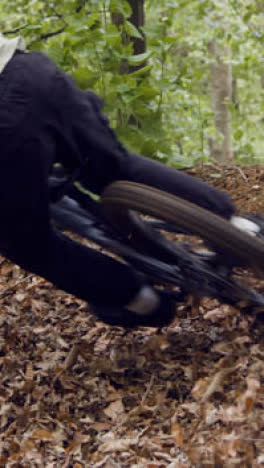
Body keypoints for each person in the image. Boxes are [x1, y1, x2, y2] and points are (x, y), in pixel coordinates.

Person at [0, 33, 237, 328]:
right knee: (115, 166)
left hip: (8, 119)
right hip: (29, 71)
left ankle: (143, 301)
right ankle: (239, 227)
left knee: (27, 243)